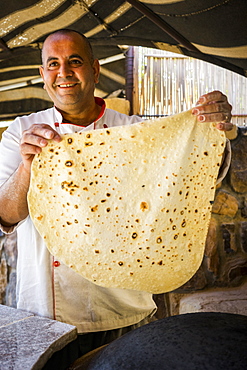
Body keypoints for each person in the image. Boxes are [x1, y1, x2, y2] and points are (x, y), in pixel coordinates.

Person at [0, 29, 233, 366]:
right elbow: (5, 215)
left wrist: (214, 131)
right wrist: (27, 168)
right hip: (46, 317)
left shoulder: (134, 131)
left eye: (74, 62)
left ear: (95, 70)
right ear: (43, 74)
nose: (63, 73)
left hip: (124, 313)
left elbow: (196, 172)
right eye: (53, 64)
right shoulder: (22, 132)